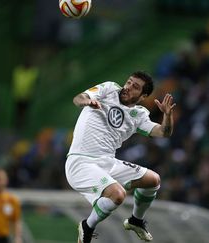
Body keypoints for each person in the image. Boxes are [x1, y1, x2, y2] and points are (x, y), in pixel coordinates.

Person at [65, 71, 176, 242]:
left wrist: (167, 116)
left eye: (135, 87)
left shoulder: (139, 115)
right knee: (118, 194)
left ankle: (135, 220)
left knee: (153, 180)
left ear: (143, 95)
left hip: (107, 162)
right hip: (81, 161)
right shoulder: (109, 89)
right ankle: (87, 226)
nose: (128, 87)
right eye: (129, 82)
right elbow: (78, 98)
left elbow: (164, 132)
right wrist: (87, 101)